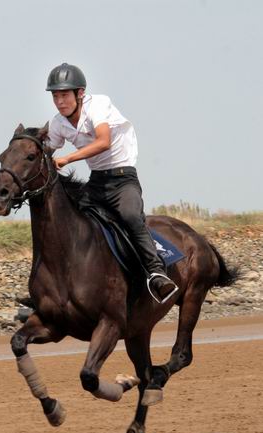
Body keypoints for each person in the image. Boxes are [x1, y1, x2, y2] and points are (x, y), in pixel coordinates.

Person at [46, 62, 178, 303]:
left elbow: (103, 141)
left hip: (123, 179)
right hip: (96, 182)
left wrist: (67, 158)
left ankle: (157, 272)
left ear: (80, 93)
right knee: (68, 221)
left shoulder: (98, 104)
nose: (60, 101)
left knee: (130, 216)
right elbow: (46, 152)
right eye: (55, 96)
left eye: (64, 94)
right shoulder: (58, 123)